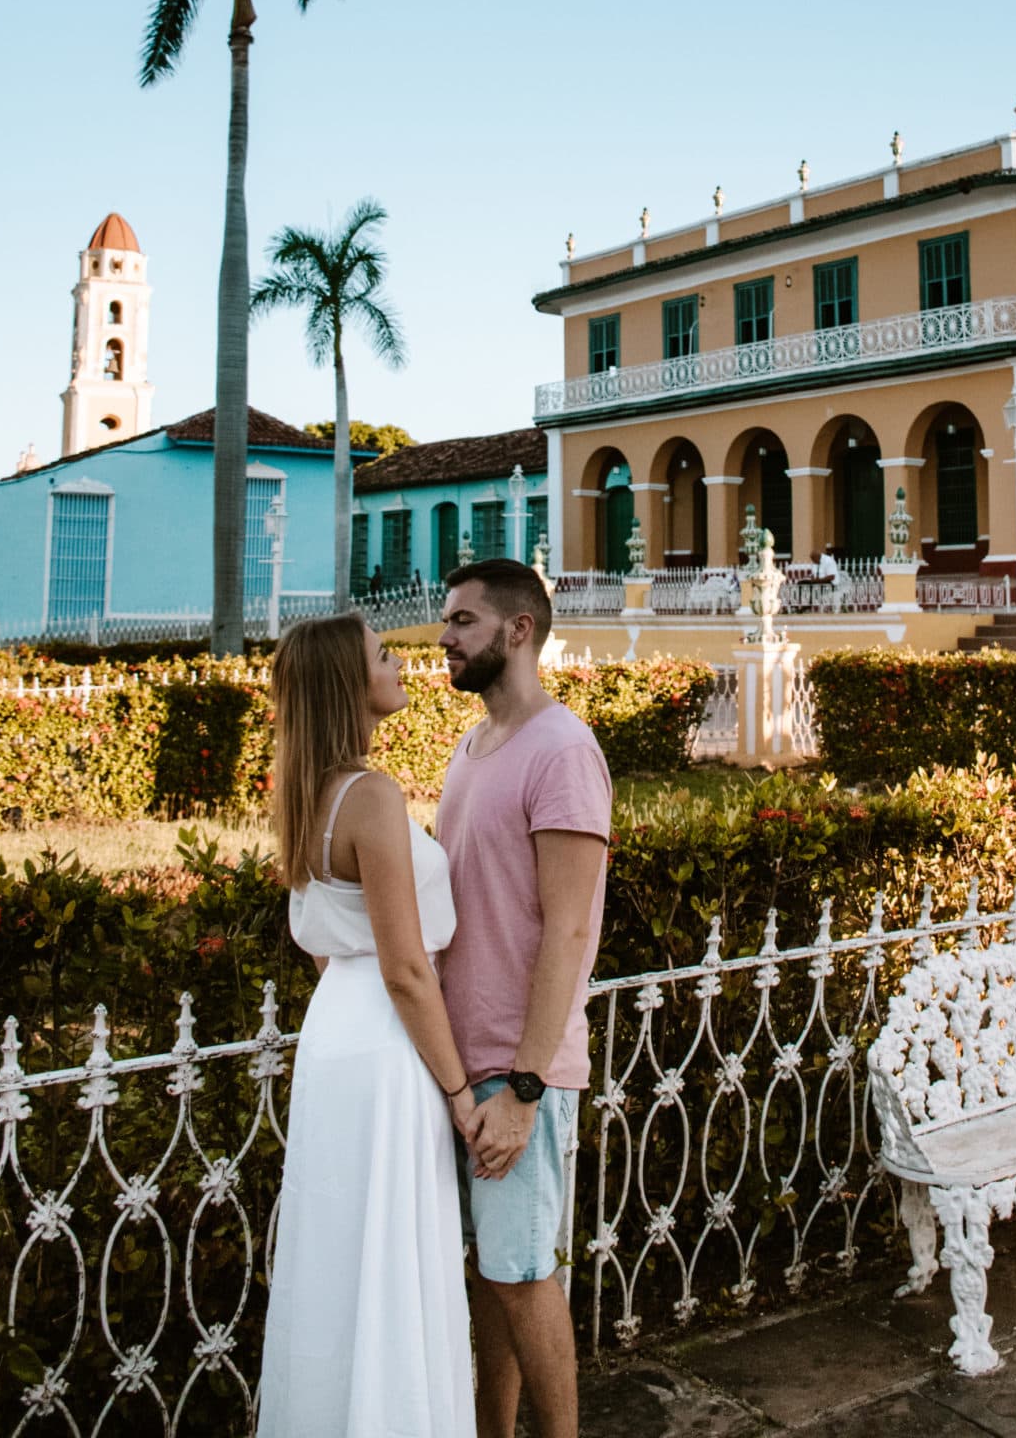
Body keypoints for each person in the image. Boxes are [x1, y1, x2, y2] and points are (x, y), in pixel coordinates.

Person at [258, 612, 478, 1437]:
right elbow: (407, 968)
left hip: (333, 1031)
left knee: (339, 1249)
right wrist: (459, 1090)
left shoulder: (308, 793)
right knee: (390, 1252)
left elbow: (329, 945)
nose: (400, 662)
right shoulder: (373, 795)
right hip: (385, 1044)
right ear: (352, 685)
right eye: (384, 655)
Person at [435, 559, 613, 1438]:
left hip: (518, 1072)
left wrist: (527, 1086)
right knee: (491, 1275)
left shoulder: (563, 750)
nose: (444, 638)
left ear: (518, 631)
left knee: (520, 1273)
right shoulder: (469, 751)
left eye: (463, 621)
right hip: (462, 1068)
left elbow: (567, 933)